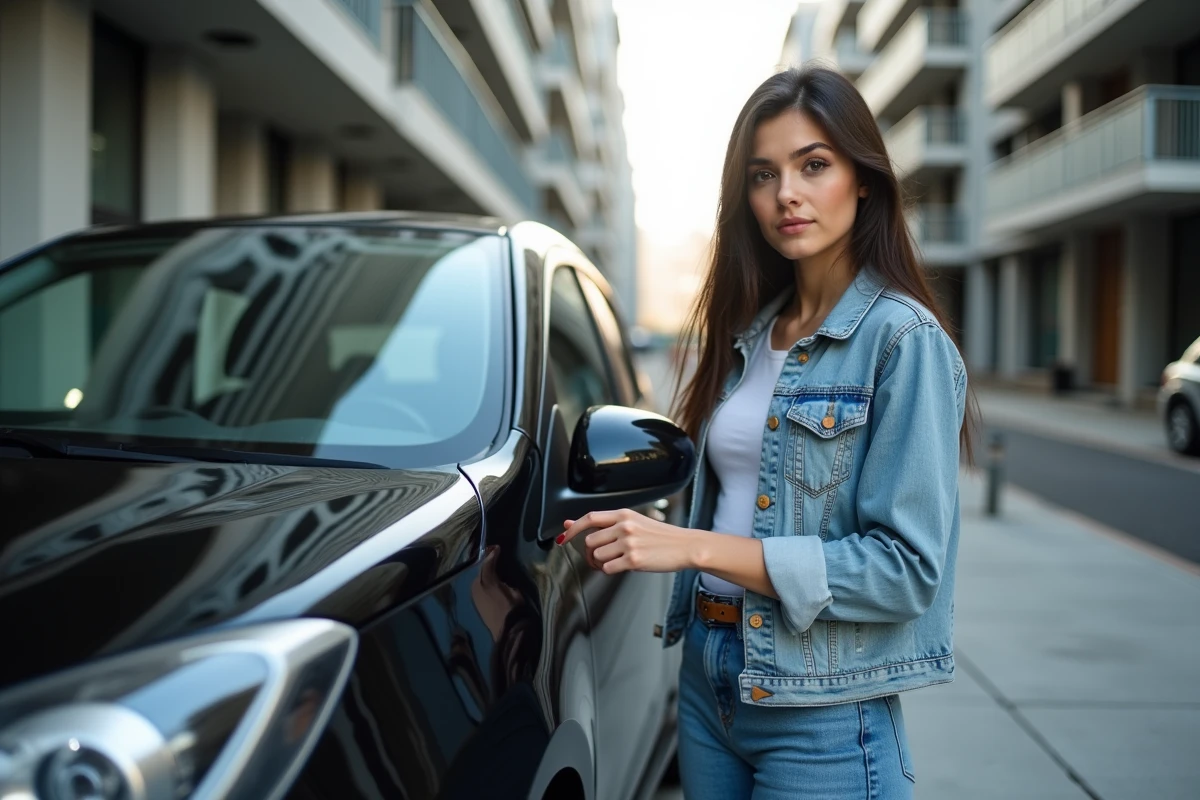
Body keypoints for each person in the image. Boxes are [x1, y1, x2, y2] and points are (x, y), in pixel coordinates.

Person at [556, 64, 974, 799]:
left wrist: (690, 547)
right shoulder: (750, 336)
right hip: (710, 674)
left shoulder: (902, 342)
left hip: (821, 707)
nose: (787, 193)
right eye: (763, 174)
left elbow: (905, 570)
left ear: (864, 179)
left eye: (814, 165)